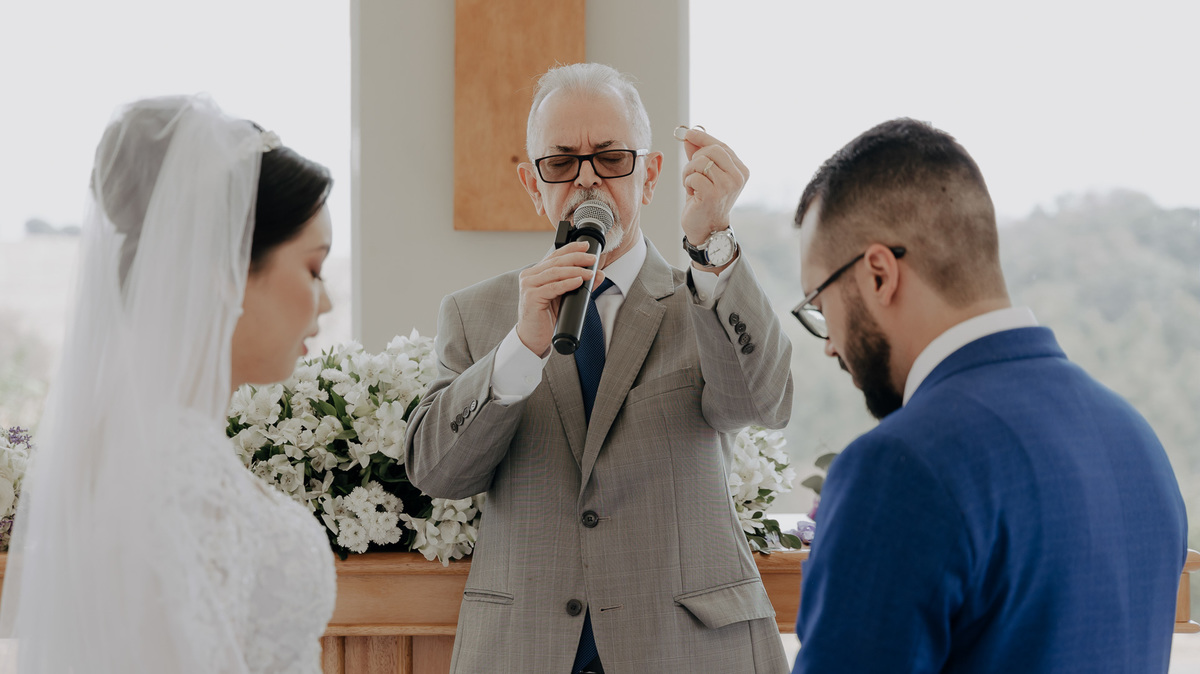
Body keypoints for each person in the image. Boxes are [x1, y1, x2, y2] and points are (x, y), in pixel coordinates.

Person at [404, 62, 793, 674]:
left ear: (650, 174)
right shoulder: (476, 315)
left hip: (687, 651)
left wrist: (713, 240)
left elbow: (761, 403)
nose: (587, 181)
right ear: (534, 186)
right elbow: (436, 469)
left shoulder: (705, 297)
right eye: (560, 163)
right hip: (524, 651)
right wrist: (519, 351)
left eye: (611, 157)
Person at [790, 118, 1187, 673]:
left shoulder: (899, 467)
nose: (829, 344)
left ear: (878, 274)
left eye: (818, 302)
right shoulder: (1135, 438)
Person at [0, 95, 337, 673]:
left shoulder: (142, 440)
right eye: (312, 268)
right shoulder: (172, 469)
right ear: (224, 270)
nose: (326, 301)